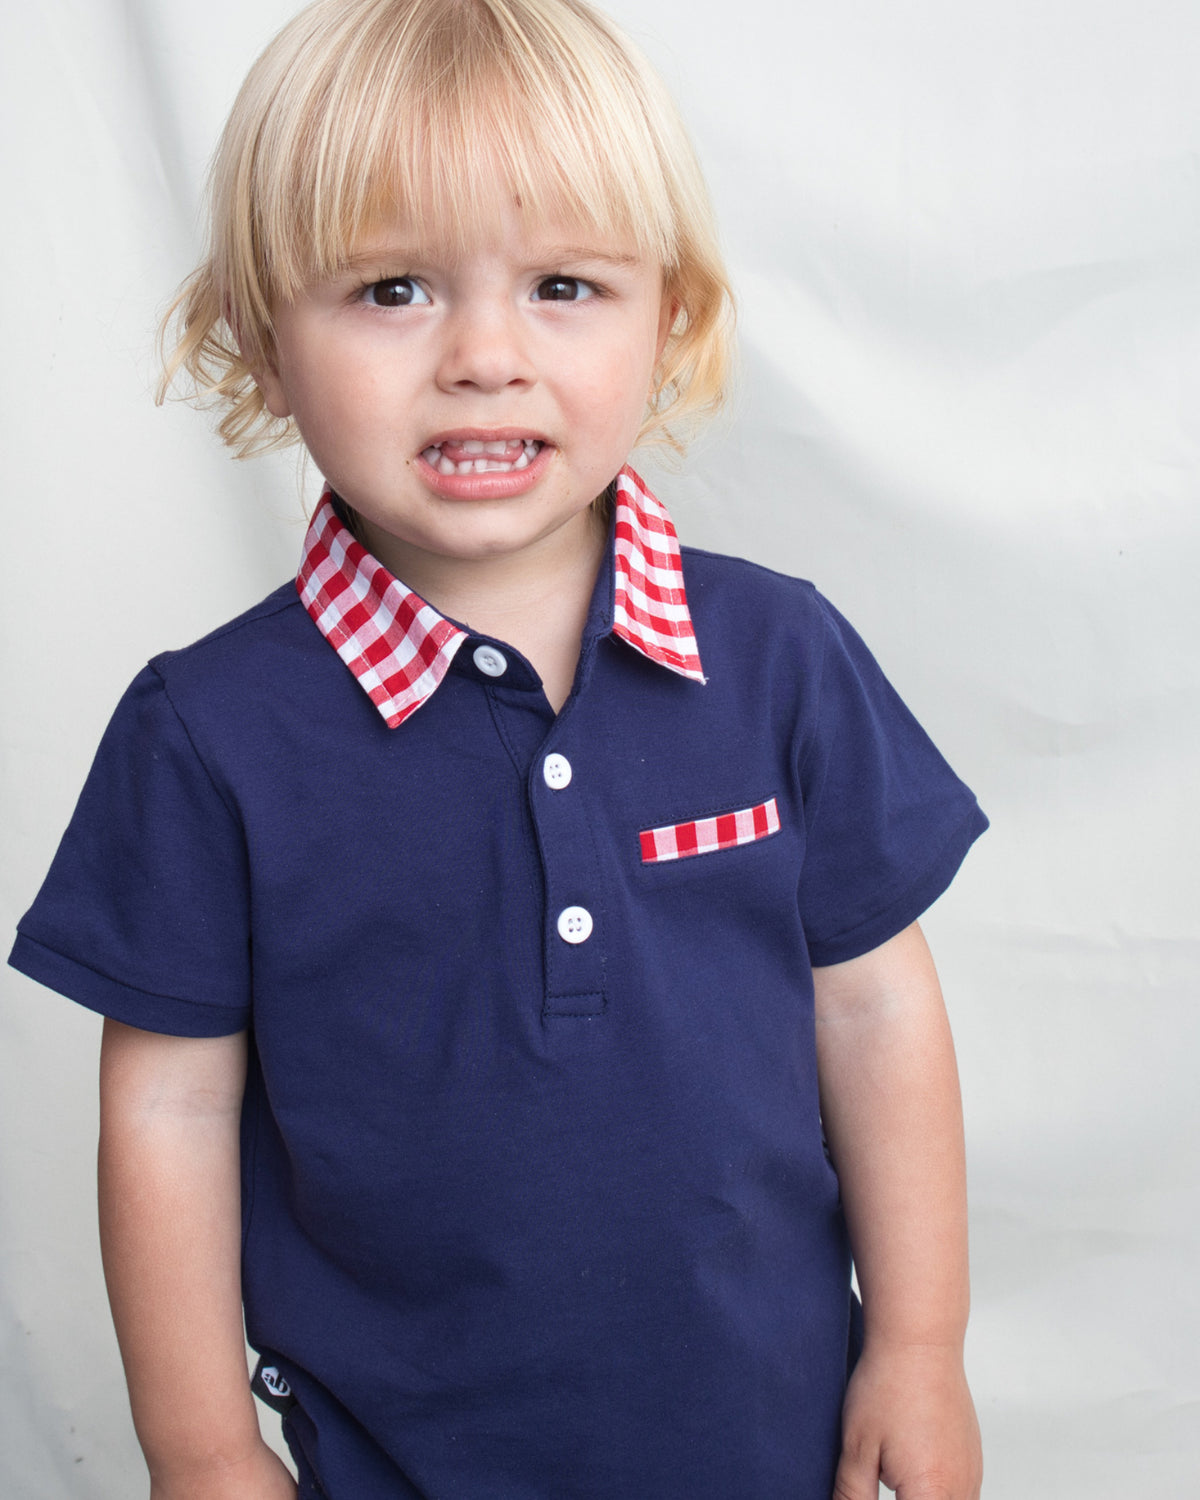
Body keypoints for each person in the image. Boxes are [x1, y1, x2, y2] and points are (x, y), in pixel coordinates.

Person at [8, 1, 988, 1495]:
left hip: (772, 1440)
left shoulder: (780, 659)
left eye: (563, 285)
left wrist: (919, 1349)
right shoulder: (207, 735)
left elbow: (876, 1019)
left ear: (672, 319)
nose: (483, 354)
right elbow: (166, 1103)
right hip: (398, 1459)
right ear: (261, 342)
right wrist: (200, 1447)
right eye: (392, 286)